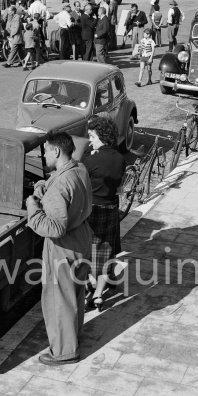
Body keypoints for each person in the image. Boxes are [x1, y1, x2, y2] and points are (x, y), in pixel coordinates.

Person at [26, 132, 92, 366]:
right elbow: (63, 186)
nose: (44, 155)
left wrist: (32, 207)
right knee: (74, 294)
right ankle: (73, 337)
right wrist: (46, 184)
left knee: (58, 300)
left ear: (56, 151)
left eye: (45, 151)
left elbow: (54, 228)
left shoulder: (61, 183)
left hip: (63, 248)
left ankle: (64, 352)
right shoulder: (79, 169)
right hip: (81, 240)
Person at [82, 117, 126, 311]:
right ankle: (99, 295)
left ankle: (90, 282)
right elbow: (119, 189)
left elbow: (81, 186)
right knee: (105, 254)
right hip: (111, 210)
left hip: (92, 211)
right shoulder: (120, 158)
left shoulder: (90, 161)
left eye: (92, 136)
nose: (90, 140)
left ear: (101, 136)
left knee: (85, 252)